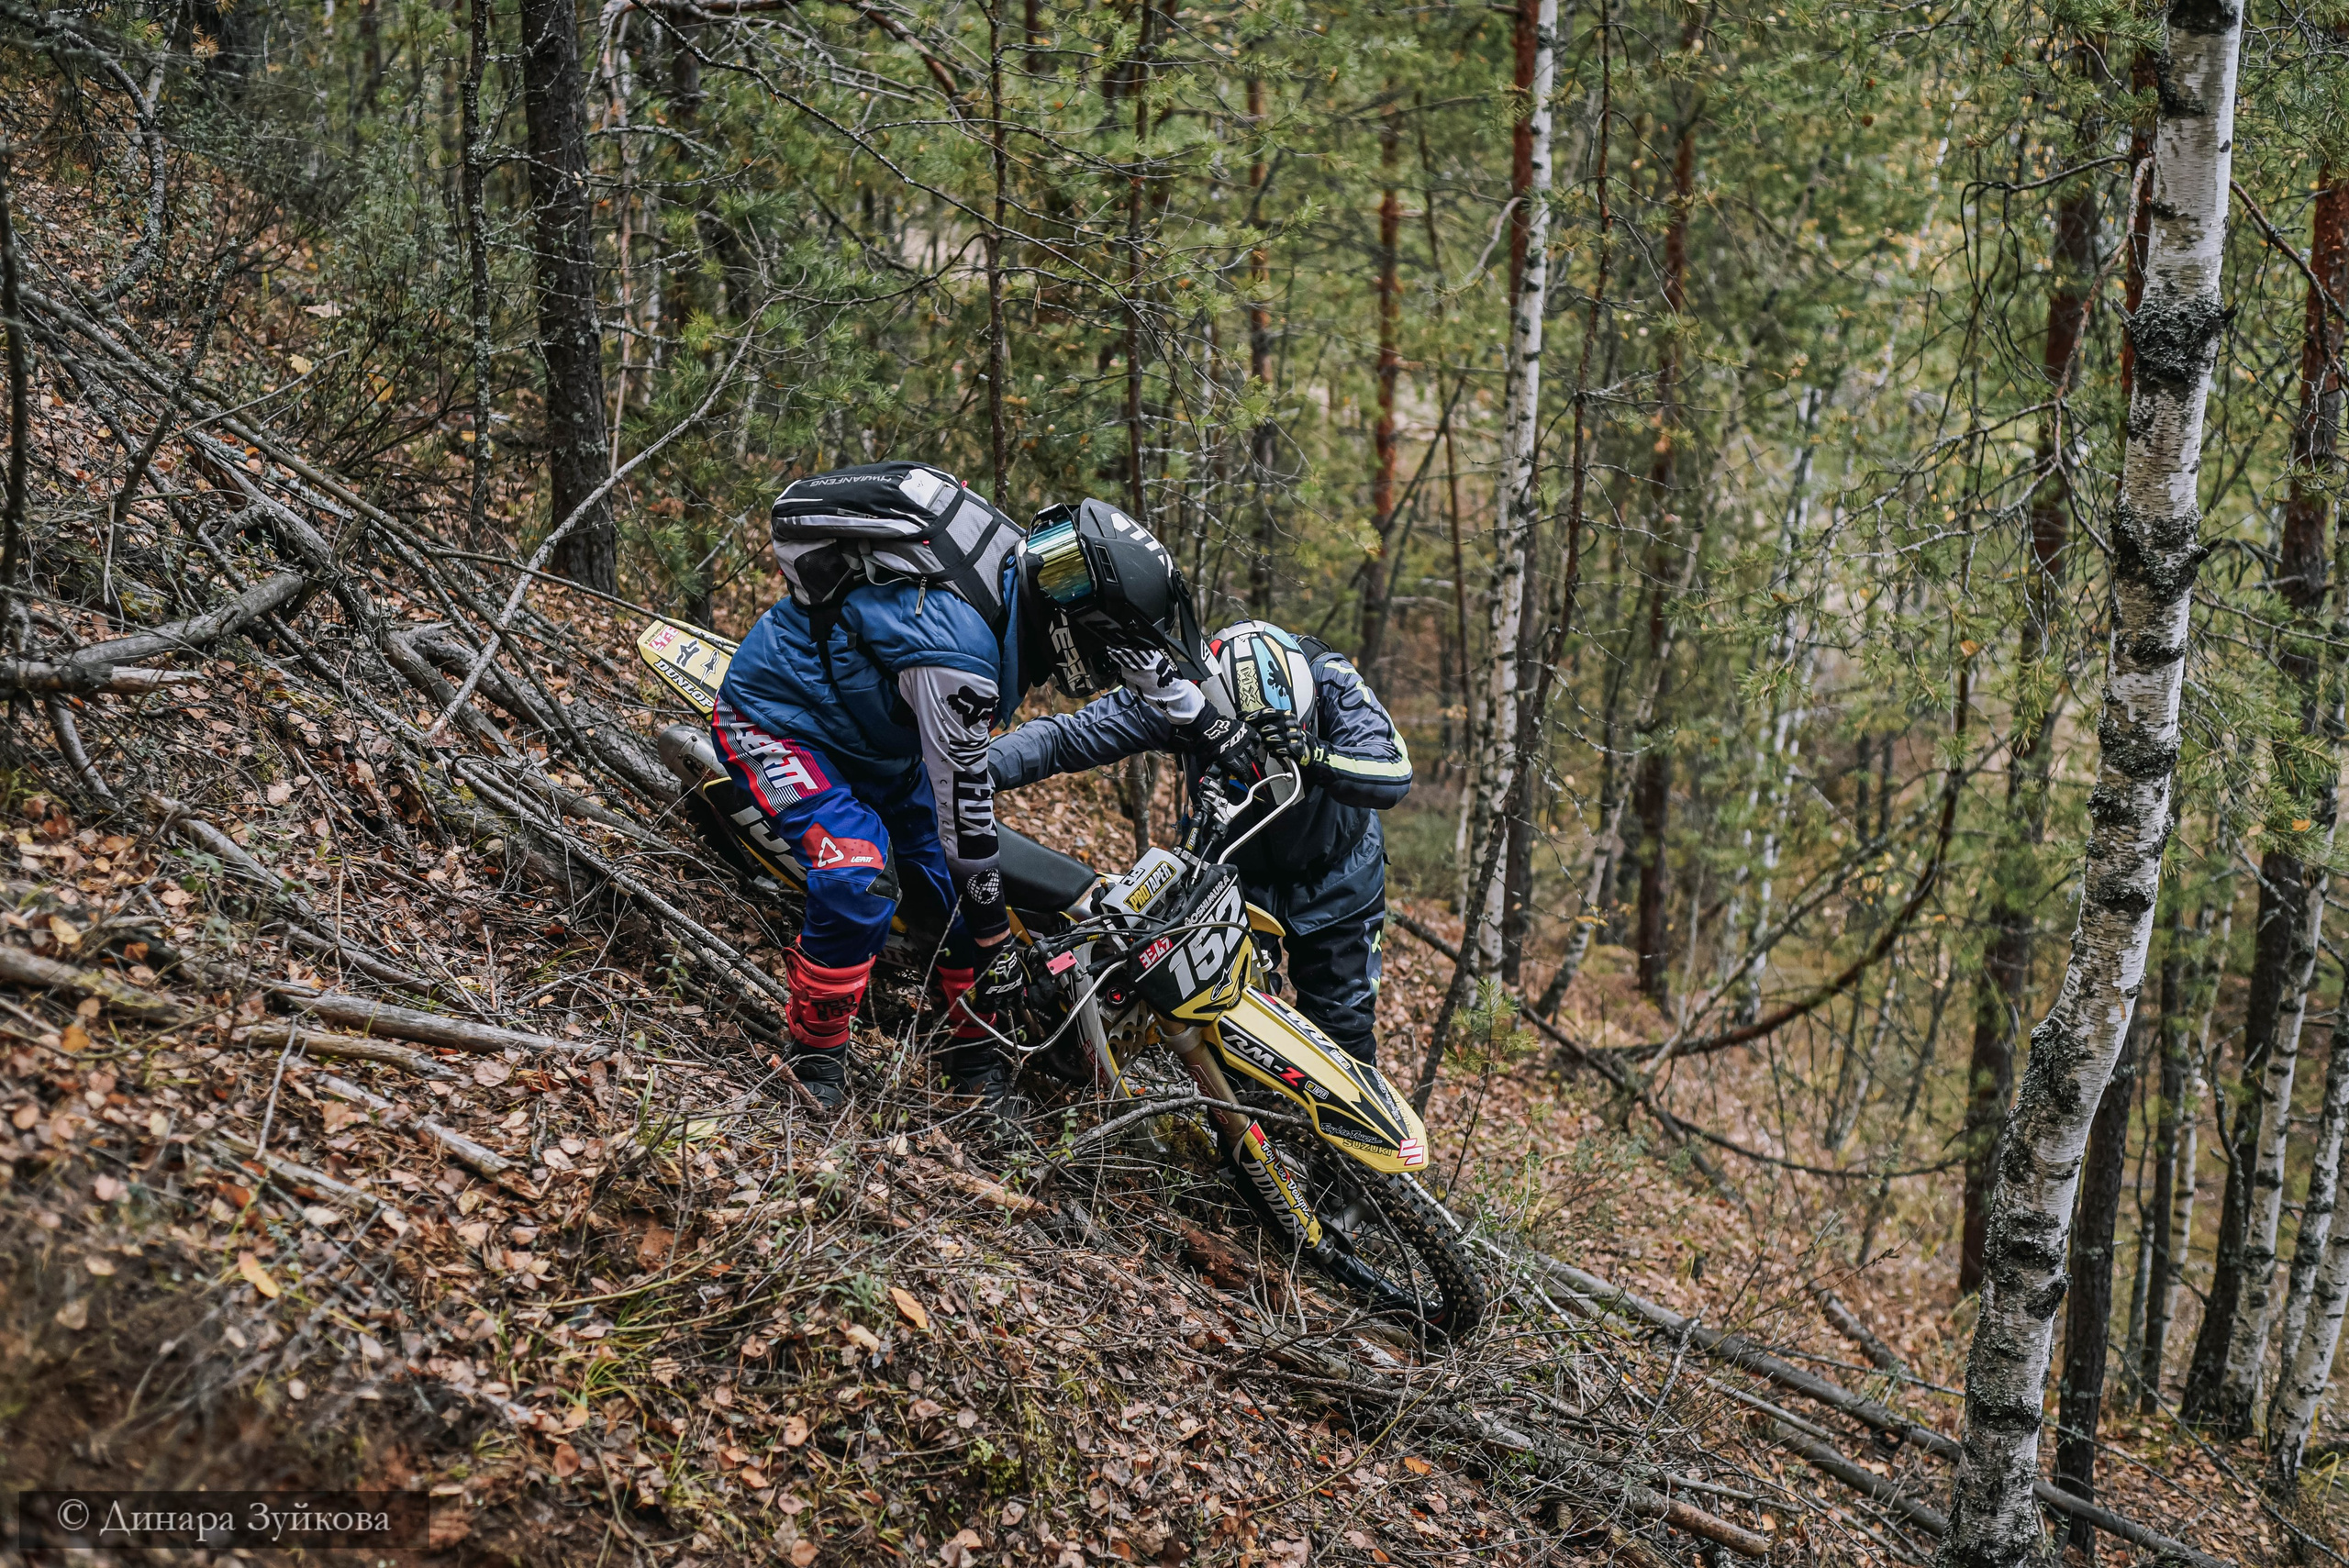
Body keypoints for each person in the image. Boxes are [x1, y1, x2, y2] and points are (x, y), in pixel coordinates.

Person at [711, 469, 1231, 1112]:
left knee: (961, 907)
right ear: (1074, 632)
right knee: (861, 876)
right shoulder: (962, 654)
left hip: (882, 746)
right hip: (782, 724)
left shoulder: (1027, 570)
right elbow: (966, 826)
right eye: (1101, 653)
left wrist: (1213, 726)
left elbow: (1145, 661)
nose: (1103, 671)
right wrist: (995, 942)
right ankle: (814, 1058)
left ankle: (973, 1069)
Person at [989, 620, 1411, 1066]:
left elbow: (1393, 772)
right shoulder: (1181, 693)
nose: (1264, 770)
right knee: (1227, 1021)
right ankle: (1241, 1122)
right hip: (1235, 869)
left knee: (1343, 1031)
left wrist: (1313, 753)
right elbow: (1068, 737)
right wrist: (970, 769)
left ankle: (1329, 1134)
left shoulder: (1331, 678)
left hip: (1340, 872)